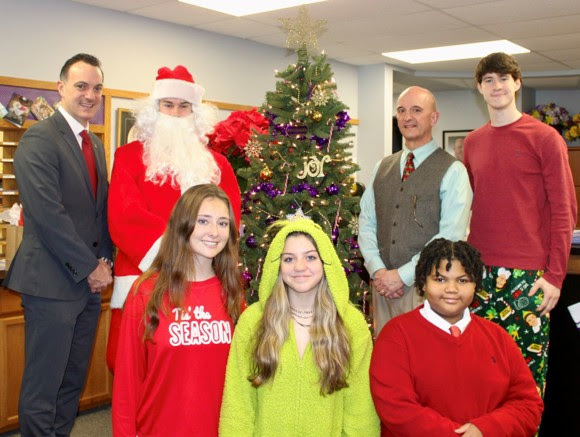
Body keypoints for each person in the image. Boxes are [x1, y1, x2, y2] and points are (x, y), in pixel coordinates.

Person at [3, 53, 113, 436]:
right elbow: (48, 216)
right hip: (51, 285)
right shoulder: (39, 138)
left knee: (71, 384)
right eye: (81, 86)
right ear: (61, 87)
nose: (90, 95)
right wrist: (91, 267)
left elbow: (99, 212)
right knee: (43, 387)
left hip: (86, 288)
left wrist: (106, 261)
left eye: (97, 88)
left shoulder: (93, 143)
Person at [106, 64, 242, 371]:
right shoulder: (128, 157)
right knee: (138, 364)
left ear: (195, 113)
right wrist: (178, 256)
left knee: (204, 363)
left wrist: (200, 259)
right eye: (168, 105)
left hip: (206, 277)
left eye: (184, 106)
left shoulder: (219, 165)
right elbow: (124, 217)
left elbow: (230, 217)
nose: (176, 113)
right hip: (147, 275)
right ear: (154, 110)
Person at [463, 52, 577, 396]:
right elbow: (471, 206)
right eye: (488, 80)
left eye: (503, 78)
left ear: (517, 83)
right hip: (480, 273)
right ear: (480, 88)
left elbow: (564, 210)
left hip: (528, 278)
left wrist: (555, 276)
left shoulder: (544, 138)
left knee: (524, 378)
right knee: (481, 373)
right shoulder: (472, 142)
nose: (496, 86)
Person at [219, 217, 380, 436]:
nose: (299, 267)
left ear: (325, 263)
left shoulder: (351, 323)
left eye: (311, 257)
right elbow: (238, 405)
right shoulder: (254, 321)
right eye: (289, 259)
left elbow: (360, 410)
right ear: (277, 265)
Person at [370, 238, 543, 437]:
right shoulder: (395, 336)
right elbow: (396, 409)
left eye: (462, 280)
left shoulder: (498, 337)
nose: (451, 289)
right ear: (423, 283)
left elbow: (528, 405)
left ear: (475, 284)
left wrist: (484, 430)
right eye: (440, 279)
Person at [112, 184, 244, 437]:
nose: (214, 232)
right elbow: (126, 385)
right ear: (183, 224)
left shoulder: (233, 294)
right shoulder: (147, 293)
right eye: (203, 221)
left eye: (223, 223)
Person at [359, 86, 472, 334]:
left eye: (416, 110)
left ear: (434, 118)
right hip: (382, 288)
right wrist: (378, 270)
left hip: (427, 286)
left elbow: (451, 235)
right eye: (401, 110)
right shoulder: (382, 167)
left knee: (427, 360)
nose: (407, 117)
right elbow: (366, 224)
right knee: (386, 356)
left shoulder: (453, 170)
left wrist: (402, 275)